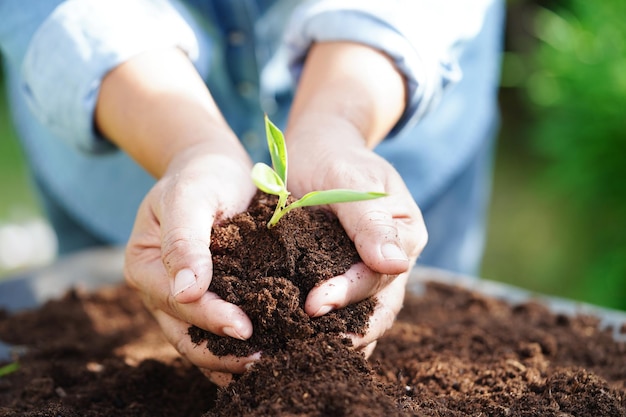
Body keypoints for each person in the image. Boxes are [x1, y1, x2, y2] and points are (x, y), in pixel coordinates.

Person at [0, 0, 504, 383]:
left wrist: (337, 123)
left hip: (385, 99)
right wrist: (190, 146)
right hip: (126, 124)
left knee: (416, 327)